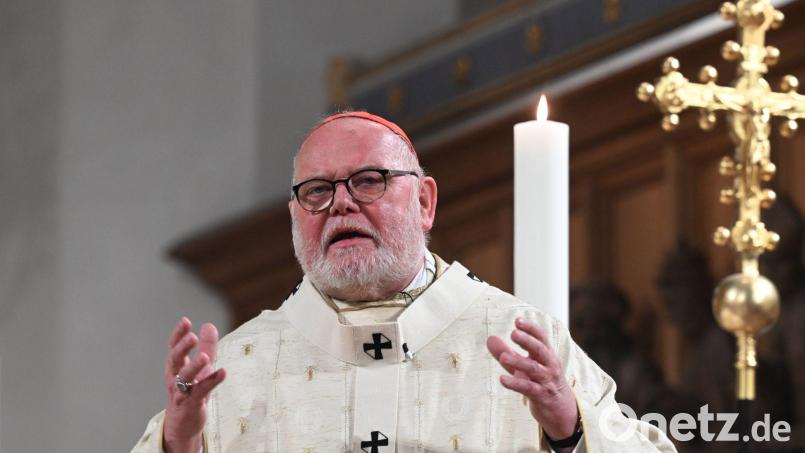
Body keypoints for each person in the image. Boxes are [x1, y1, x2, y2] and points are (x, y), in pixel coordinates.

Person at [132, 112, 676, 452]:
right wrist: (179, 444)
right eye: (317, 190)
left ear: (424, 201)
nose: (340, 201)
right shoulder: (240, 364)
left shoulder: (521, 339)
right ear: (296, 215)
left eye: (369, 180)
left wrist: (569, 428)